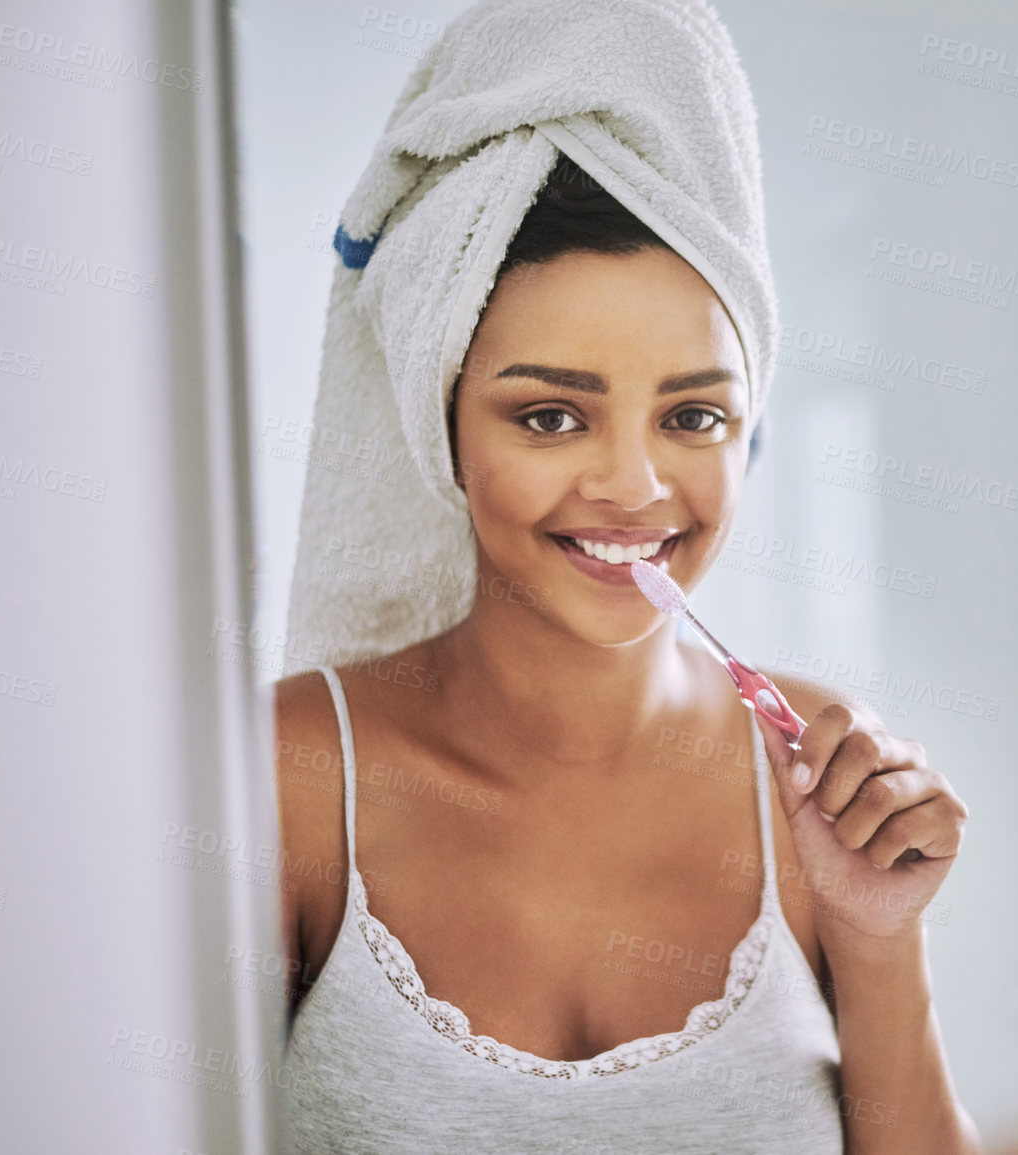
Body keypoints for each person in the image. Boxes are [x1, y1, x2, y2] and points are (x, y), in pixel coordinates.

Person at [270, 26, 978, 1153]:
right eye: (551, 415)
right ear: (439, 425)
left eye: (693, 417)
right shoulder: (295, 775)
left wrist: (877, 934)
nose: (634, 487)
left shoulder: (820, 787)